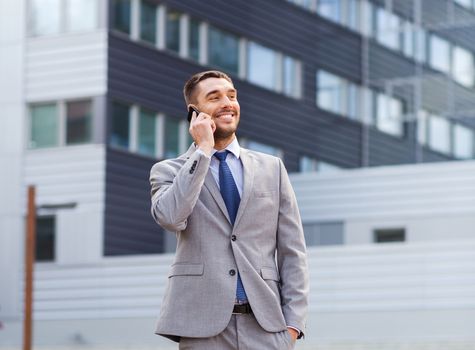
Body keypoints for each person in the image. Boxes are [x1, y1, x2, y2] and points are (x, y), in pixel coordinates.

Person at [149, 70, 309, 349]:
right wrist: (203, 151)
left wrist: (293, 325)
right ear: (194, 113)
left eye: (231, 96)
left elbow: (292, 251)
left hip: (267, 328)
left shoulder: (272, 169)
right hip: (202, 329)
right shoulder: (170, 171)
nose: (227, 102)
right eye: (215, 97)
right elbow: (171, 218)